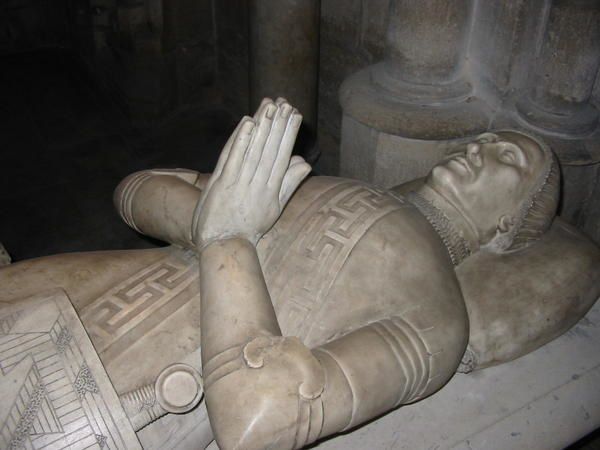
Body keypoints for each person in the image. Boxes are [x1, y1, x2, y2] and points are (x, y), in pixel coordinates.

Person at [3, 98, 593, 450]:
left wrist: (230, 238)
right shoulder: (341, 188)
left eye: (506, 159)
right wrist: (209, 219)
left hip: (96, 399)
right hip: (65, 293)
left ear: (507, 228)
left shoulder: (438, 318)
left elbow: (262, 421)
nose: (478, 148)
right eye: (485, 139)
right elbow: (134, 191)